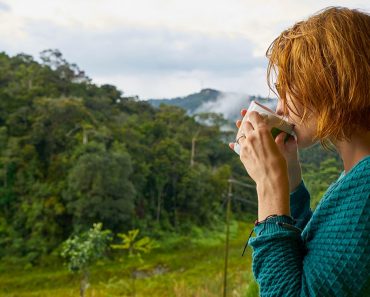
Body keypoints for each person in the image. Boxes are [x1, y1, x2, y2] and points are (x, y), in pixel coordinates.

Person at [228, 6, 370, 297]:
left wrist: (269, 186)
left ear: (329, 82)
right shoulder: (355, 176)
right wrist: (290, 178)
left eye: (287, 88)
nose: (280, 107)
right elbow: (311, 261)